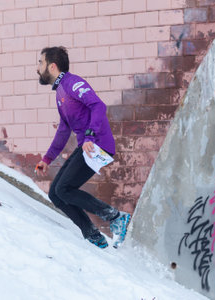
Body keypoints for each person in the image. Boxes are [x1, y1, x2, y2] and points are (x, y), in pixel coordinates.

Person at [35, 46, 130, 249]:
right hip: (87, 146)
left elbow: (98, 106)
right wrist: (47, 159)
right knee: (56, 194)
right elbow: (64, 129)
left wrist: (89, 135)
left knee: (65, 189)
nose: (38, 68)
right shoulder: (60, 92)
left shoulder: (73, 83)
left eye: (40, 63)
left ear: (52, 66)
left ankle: (115, 217)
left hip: (97, 144)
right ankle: (93, 236)